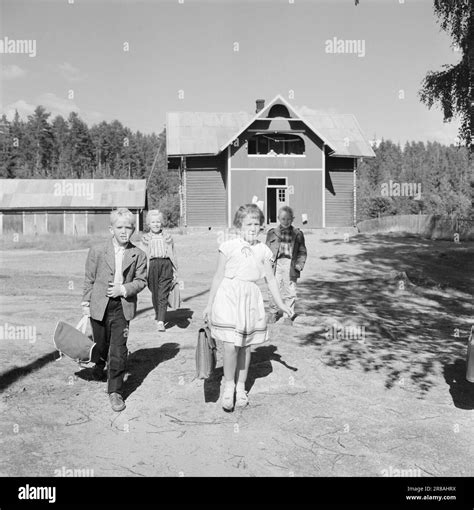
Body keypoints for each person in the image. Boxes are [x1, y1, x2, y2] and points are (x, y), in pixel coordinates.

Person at [203, 204, 292, 412]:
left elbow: (270, 279)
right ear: (238, 225)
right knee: (230, 345)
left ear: (261, 226)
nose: (252, 228)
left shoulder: (263, 250)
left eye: (256, 224)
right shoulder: (228, 246)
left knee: (244, 345)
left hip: (250, 299)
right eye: (248, 224)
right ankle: (228, 386)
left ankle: (241, 387)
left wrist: (281, 304)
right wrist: (209, 304)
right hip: (228, 297)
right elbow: (218, 276)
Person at [81, 208, 147, 412]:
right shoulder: (97, 251)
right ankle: (99, 364)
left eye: (129, 227)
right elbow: (89, 279)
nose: (124, 231)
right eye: (119, 227)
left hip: (122, 306)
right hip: (99, 305)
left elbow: (141, 280)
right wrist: (85, 304)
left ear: (134, 229)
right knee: (100, 344)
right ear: (111, 229)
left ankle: (116, 391)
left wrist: (124, 289)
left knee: (118, 349)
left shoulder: (139, 255)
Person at [265, 206, 307, 325]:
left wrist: (299, 264)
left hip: (290, 264)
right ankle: (273, 312)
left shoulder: (298, 234)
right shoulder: (271, 233)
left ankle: (288, 314)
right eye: (283, 219)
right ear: (278, 218)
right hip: (276, 264)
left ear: (292, 219)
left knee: (290, 290)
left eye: (288, 219)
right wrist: (266, 266)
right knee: (273, 288)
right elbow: (266, 250)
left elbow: (302, 251)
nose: (286, 221)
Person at [140, 210, 178, 332]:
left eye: (158, 222)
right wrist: (142, 271)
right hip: (151, 266)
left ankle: (161, 321)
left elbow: (174, 254)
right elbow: (142, 256)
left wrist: (175, 270)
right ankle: (158, 313)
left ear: (161, 223)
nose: (156, 224)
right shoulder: (145, 238)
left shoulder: (167, 237)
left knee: (163, 293)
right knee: (155, 292)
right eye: (153, 222)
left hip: (166, 264)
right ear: (148, 224)